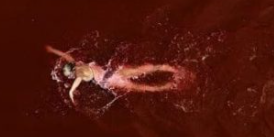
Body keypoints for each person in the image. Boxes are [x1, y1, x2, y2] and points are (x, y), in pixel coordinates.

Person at [46, 45, 189, 104]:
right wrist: (52, 50)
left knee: (143, 87)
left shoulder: (79, 76)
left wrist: (73, 98)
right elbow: (66, 55)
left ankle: (169, 86)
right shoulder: (79, 63)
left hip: (112, 81)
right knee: (142, 70)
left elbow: (72, 90)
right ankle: (173, 69)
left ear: (72, 72)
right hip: (113, 71)